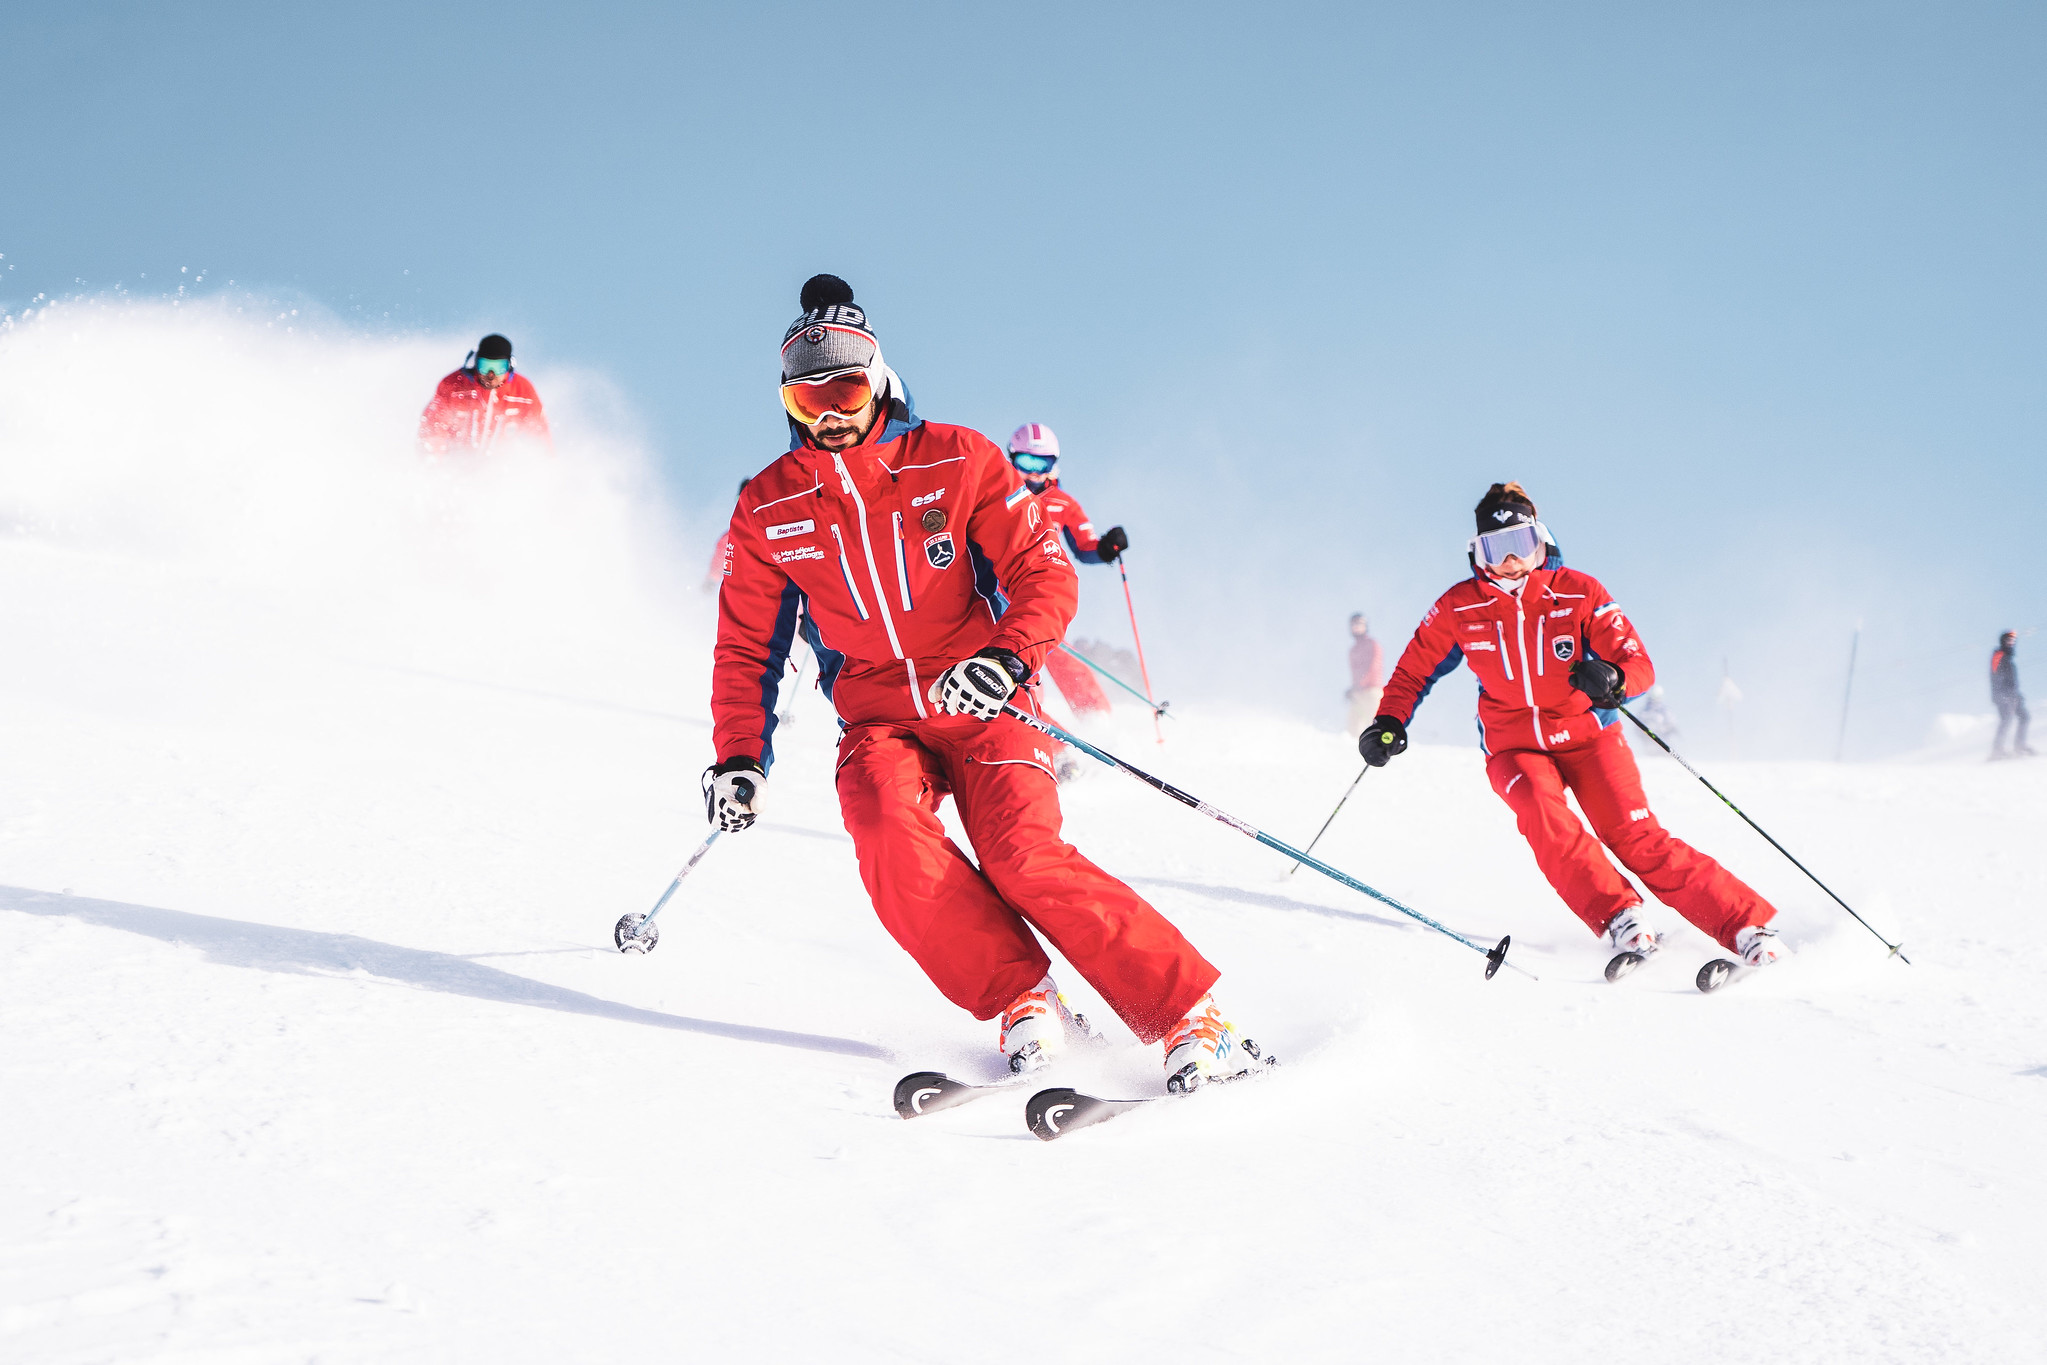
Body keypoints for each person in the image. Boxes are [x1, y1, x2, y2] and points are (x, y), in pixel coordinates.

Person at [708, 275, 1252, 1088]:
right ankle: (1023, 998)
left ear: (878, 379)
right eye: (805, 394)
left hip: (984, 696)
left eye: (845, 387)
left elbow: (1043, 569)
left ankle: (1189, 1011)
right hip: (880, 717)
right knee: (888, 836)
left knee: (1021, 856)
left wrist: (1006, 657)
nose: (828, 412)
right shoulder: (769, 505)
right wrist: (738, 757)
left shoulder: (957, 458)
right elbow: (746, 644)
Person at [1359, 481, 1783, 971]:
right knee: (1544, 816)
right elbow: (1415, 669)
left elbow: (1637, 661)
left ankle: (1750, 929)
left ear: (1540, 540)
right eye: (1498, 549)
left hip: (1588, 736)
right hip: (1513, 745)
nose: (1512, 560)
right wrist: (1388, 720)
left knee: (1636, 837)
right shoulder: (1460, 606)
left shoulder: (1578, 591)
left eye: (1521, 544)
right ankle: (1623, 918)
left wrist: (1615, 678)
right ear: (1478, 552)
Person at [1004, 423, 1126, 718]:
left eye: (1042, 463)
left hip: (1038, 591)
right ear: (1011, 459)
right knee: (1009, 657)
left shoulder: (1062, 504)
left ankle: (1096, 718)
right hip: (994, 588)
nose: (1034, 472)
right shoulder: (997, 493)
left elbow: (1086, 548)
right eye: (1026, 462)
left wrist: (1108, 548)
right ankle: (1024, 720)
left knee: (1055, 651)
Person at [417, 333, 551, 454]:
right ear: (475, 363)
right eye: (485, 366)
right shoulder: (453, 387)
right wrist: (434, 467)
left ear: (509, 366)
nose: (491, 374)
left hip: (500, 470)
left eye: (499, 367)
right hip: (455, 464)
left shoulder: (523, 392)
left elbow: (540, 437)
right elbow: (432, 430)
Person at [1990, 630, 2032, 759]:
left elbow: (2011, 682)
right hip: (2002, 696)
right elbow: (1995, 676)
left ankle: (2020, 746)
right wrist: (2003, 694)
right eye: (2009, 640)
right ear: (2003, 641)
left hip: (2012, 696)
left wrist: (2017, 695)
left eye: (2013, 641)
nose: (2011, 643)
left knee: (2024, 717)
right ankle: (1997, 751)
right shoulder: (1998, 656)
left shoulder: (2008, 659)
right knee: (2006, 719)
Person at [1344, 613, 1384, 739]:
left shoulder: (1372, 644)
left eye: (1359, 624)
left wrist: (1359, 685)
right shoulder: (1353, 650)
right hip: (1359, 692)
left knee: (1374, 724)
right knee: (1353, 725)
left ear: (1365, 626)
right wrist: (1354, 688)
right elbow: (1355, 673)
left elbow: (1373, 667)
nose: (1356, 627)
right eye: (1353, 624)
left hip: (1372, 690)